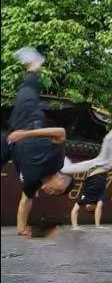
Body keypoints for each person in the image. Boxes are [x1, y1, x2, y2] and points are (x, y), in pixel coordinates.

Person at [5, 49, 74, 236]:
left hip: (9, 146)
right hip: (28, 121)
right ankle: (34, 65)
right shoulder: (55, 162)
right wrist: (26, 135)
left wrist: (21, 229)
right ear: (61, 180)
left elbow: (25, 202)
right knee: (26, 91)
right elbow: (60, 133)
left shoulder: (32, 183)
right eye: (56, 191)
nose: (51, 193)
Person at [62, 110, 112, 230]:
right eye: (91, 209)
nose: (88, 208)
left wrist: (75, 226)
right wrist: (98, 226)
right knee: (108, 139)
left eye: (88, 209)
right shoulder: (100, 196)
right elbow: (99, 207)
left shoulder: (84, 197)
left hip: (93, 165)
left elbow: (74, 211)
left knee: (66, 169)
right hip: (104, 164)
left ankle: (57, 151)